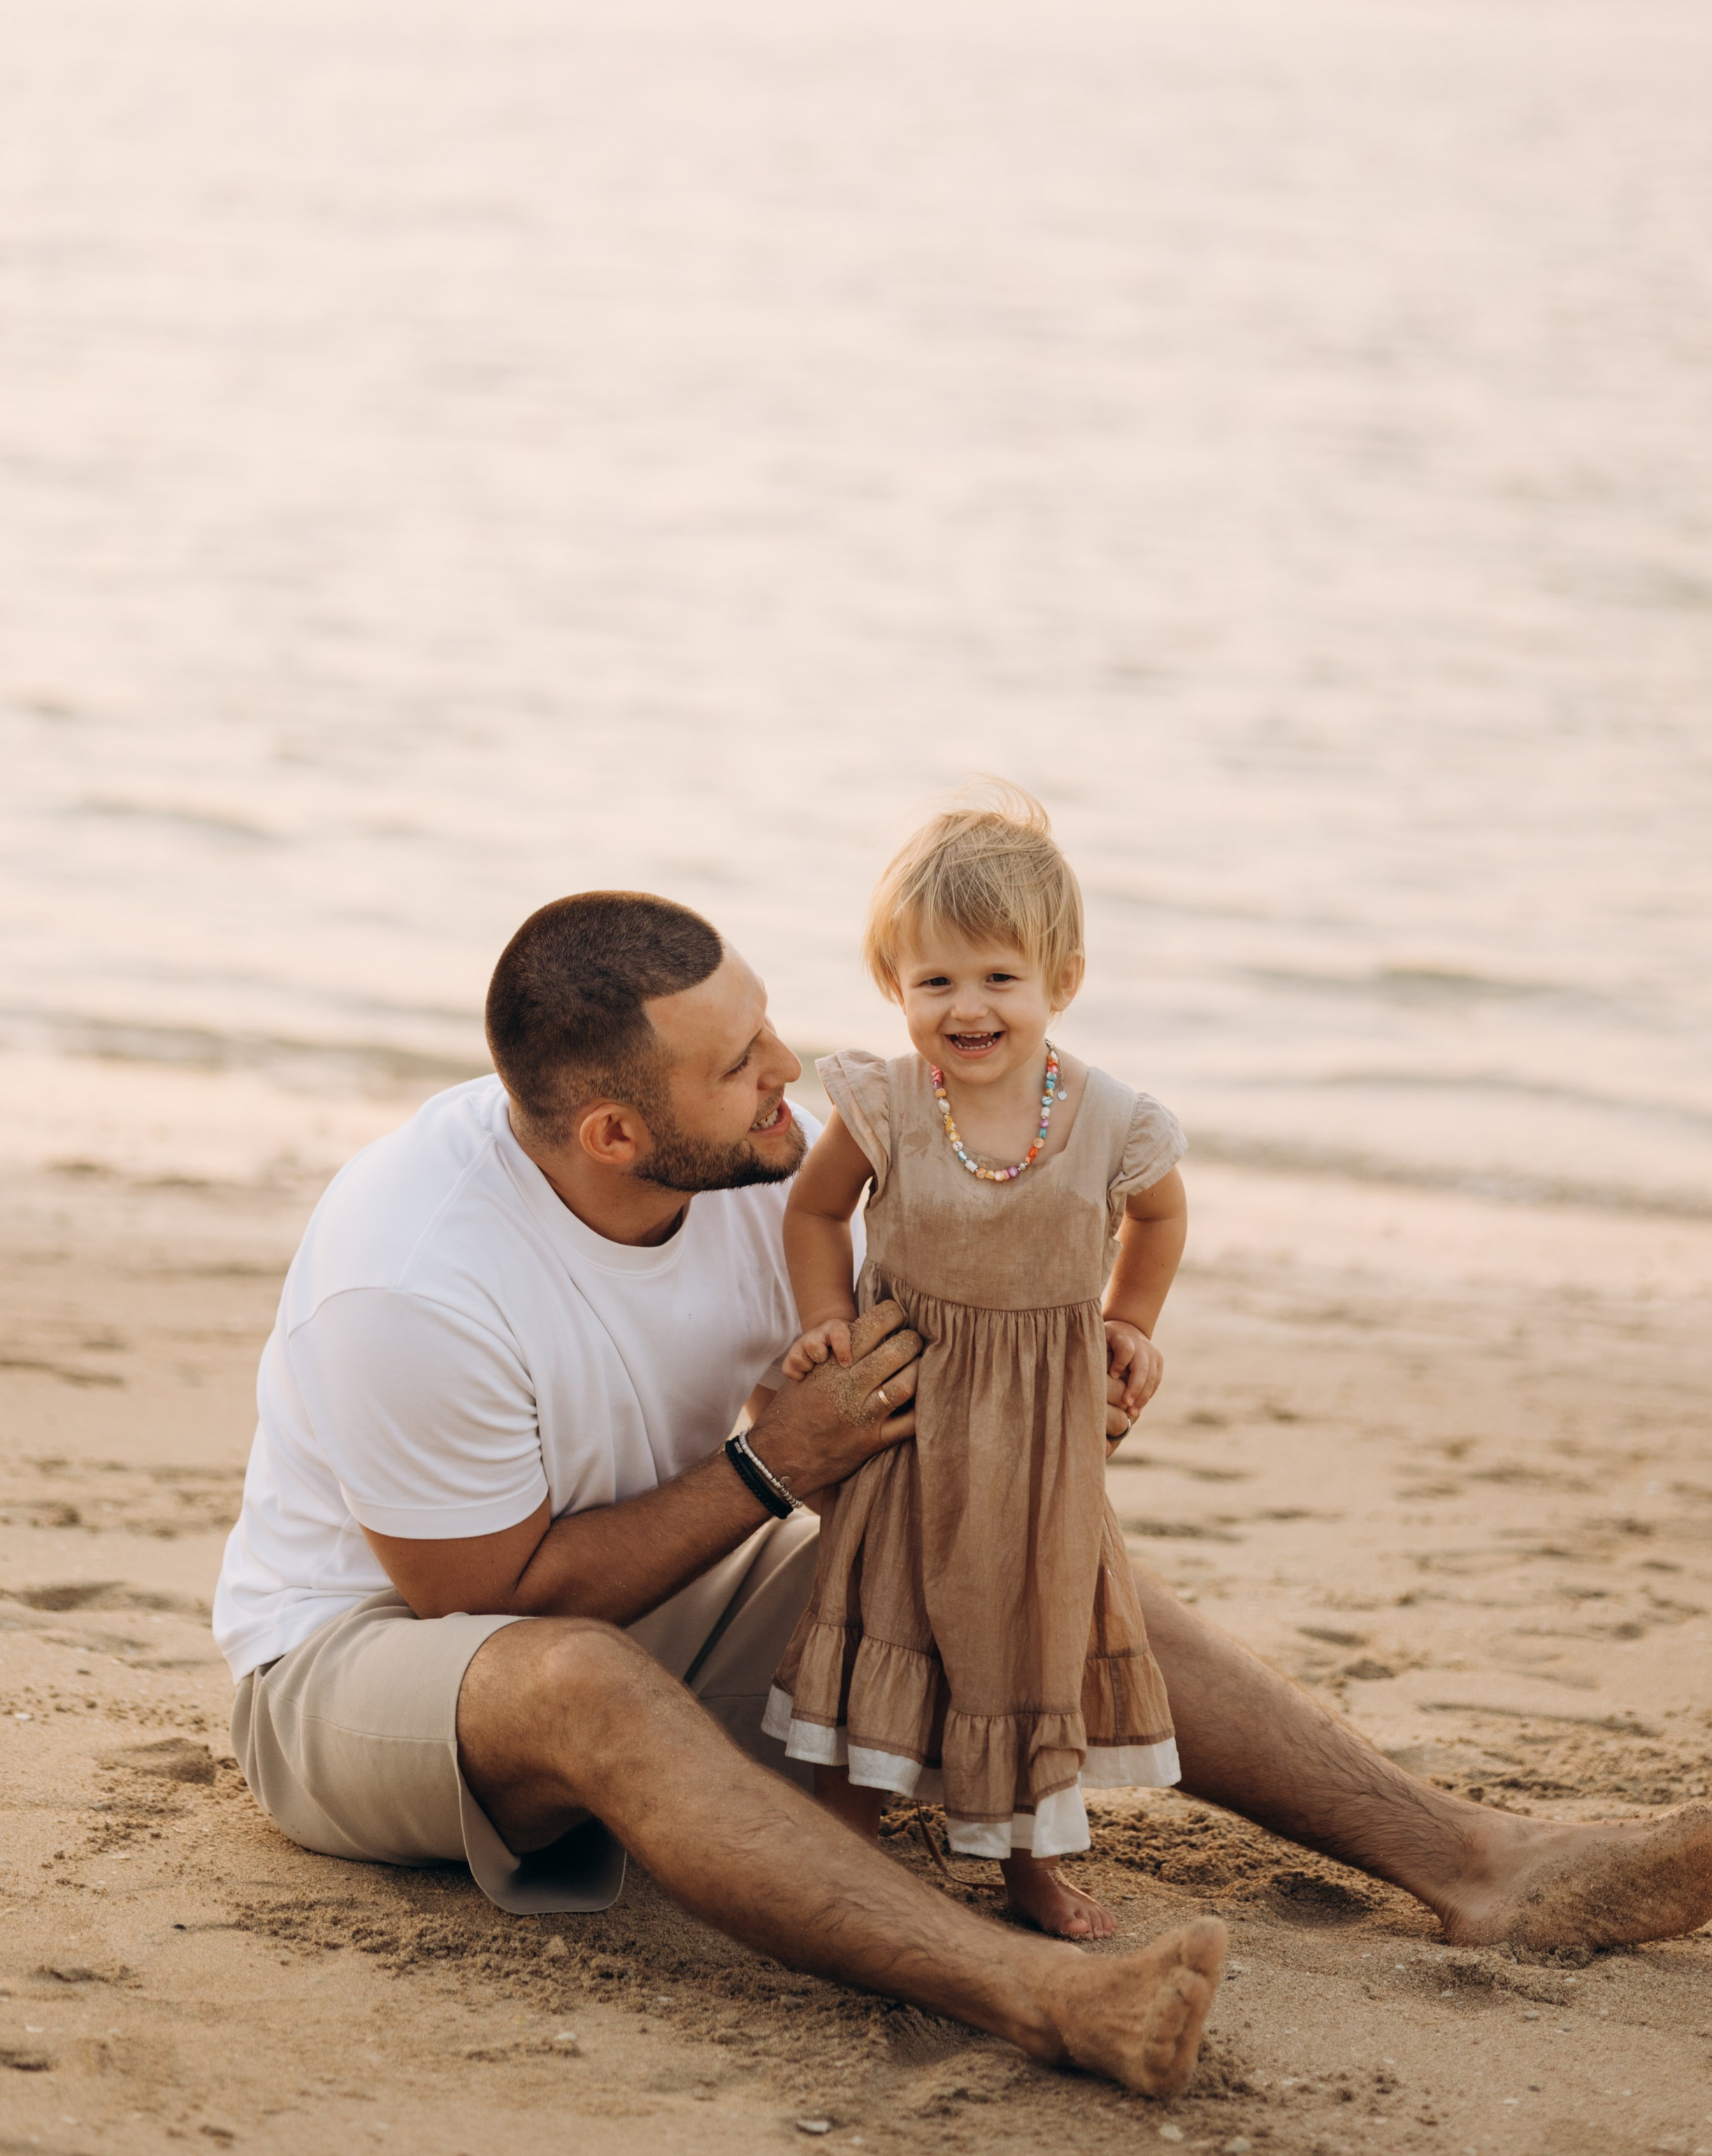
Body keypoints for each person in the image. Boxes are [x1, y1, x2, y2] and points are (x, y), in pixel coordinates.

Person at [213, 889, 1712, 2107]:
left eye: (765, 1024)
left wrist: (1071, 1380)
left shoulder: (755, 1172)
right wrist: (769, 1467)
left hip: (657, 1596)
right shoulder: (413, 1279)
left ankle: (1480, 1865)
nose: (787, 1067)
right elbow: (482, 1597)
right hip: (368, 1668)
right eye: (738, 1064)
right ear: (613, 1133)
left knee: (1007, 1545)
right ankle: (1037, 1994)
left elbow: (927, 1387)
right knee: (583, 1683)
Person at [768, 790, 1185, 1941]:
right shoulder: (888, 1104)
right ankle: (842, 1843)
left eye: (1001, 977)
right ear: (893, 983)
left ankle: (1029, 1866)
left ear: (1064, 980)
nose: (967, 1006)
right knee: (880, 1611)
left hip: (1040, 1443)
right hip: (909, 1416)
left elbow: (1160, 1218)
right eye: (935, 980)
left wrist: (1132, 1323)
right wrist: (825, 1317)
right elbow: (815, 1211)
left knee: (1031, 1634)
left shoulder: (1112, 1119)